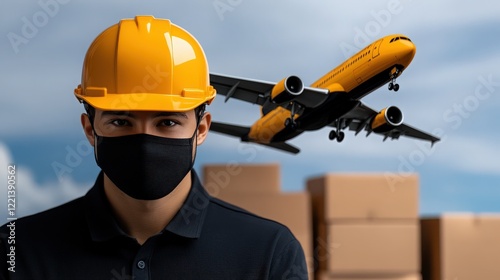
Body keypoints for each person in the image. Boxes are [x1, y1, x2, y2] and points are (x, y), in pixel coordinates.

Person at [0, 16, 308, 279]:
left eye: (167, 122)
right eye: (121, 122)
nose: (144, 141)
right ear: (89, 129)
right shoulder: (15, 252)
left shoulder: (270, 254)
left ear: (201, 129)